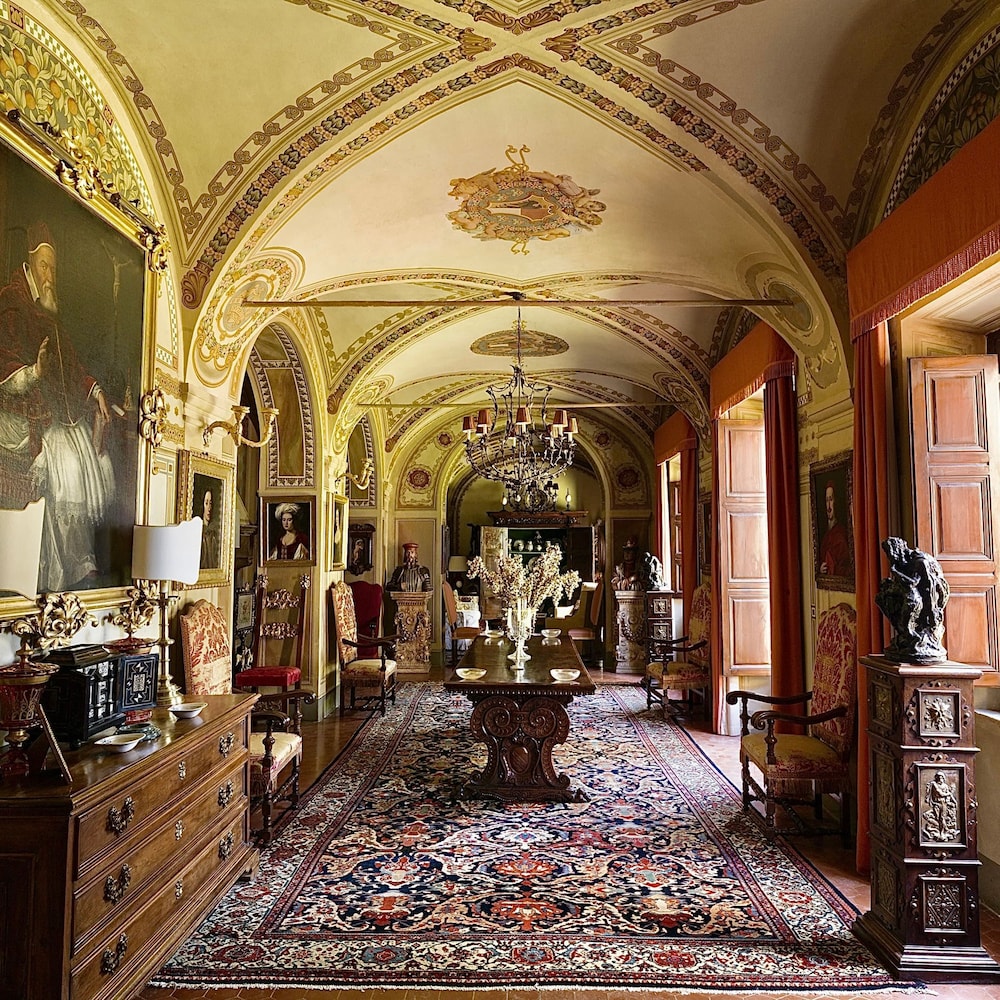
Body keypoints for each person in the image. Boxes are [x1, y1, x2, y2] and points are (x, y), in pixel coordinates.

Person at [0, 221, 115, 591]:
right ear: (30, 265)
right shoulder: (12, 303)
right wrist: (34, 371)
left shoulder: (50, 312)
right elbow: (5, 362)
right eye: (44, 266)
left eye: (53, 268)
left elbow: (73, 366)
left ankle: (79, 560)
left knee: (90, 455)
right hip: (21, 410)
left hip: (57, 412)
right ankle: (62, 568)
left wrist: (95, 391)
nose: (49, 275)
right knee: (66, 460)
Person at [818, 480, 851, 577]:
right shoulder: (825, 536)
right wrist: (821, 569)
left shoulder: (841, 534)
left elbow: (848, 569)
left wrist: (833, 568)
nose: (829, 506)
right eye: (827, 500)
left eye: (831, 500)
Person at [200, 488, 220, 569]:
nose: (209, 508)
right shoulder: (198, 532)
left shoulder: (214, 533)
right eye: (206, 503)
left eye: (211, 503)